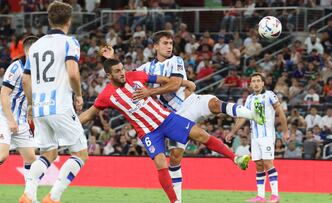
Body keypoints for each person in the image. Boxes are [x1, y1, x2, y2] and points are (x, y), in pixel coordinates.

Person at [101, 30, 264, 202]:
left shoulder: (176, 61)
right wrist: (109, 58)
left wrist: (151, 91)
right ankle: (178, 199)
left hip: (190, 103)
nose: (169, 46)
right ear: (155, 46)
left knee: (215, 104)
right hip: (172, 116)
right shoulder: (146, 68)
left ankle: (253, 114)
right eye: (165, 43)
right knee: (176, 157)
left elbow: (175, 84)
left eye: (171, 43)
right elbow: (122, 76)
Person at [79, 59, 251, 203]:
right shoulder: (106, 95)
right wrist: (69, 124)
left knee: (201, 135)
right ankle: (175, 202)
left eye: (122, 69)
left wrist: (180, 84)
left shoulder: (136, 76)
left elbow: (166, 80)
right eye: (117, 71)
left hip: (166, 119)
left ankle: (235, 158)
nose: (122, 73)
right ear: (109, 76)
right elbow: (89, 114)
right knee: (161, 163)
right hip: (148, 132)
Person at [19, 2, 89, 203]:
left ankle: (29, 194)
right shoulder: (69, 42)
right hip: (60, 105)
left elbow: (25, 80)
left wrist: (31, 104)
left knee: (48, 153)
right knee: (80, 154)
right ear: (69, 20)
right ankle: (53, 197)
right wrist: (78, 94)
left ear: (49, 19)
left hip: (40, 108)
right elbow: (73, 73)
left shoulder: (35, 46)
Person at [225, 72, 289, 203]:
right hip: (255, 137)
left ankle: (275, 195)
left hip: (267, 135)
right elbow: (243, 117)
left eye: (258, 80)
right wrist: (232, 132)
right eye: (253, 81)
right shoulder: (249, 99)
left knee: (267, 163)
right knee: (258, 165)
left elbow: (280, 112)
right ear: (250, 84)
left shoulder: (270, 95)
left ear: (263, 83)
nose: (256, 83)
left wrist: (285, 131)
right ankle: (260, 196)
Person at [0, 36, 38, 184]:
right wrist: (10, 120)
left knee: (31, 160)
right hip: (4, 117)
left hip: (21, 121)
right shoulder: (16, 67)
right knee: (2, 155)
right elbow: (3, 94)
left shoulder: (37, 69)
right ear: (30, 50)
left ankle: (30, 197)